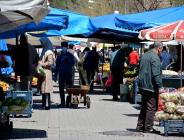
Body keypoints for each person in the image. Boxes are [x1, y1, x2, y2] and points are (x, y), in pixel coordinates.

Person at [136, 41, 163, 133]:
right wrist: (160, 86)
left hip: (142, 84)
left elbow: (139, 68)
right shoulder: (155, 57)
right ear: (159, 48)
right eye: (161, 50)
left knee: (144, 106)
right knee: (151, 107)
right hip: (150, 86)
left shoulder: (144, 55)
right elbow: (156, 74)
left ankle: (140, 126)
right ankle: (148, 127)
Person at [55, 41, 75, 107]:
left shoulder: (69, 55)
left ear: (67, 47)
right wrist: (55, 74)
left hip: (68, 73)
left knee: (70, 88)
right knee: (61, 88)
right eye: (63, 47)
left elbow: (73, 63)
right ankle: (63, 102)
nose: (64, 48)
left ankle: (69, 102)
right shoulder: (59, 55)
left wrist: (67, 59)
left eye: (65, 47)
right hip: (62, 73)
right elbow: (57, 65)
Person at [39, 37, 55, 110]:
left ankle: (47, 105)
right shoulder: (44, 50)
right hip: (43, 72)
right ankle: (44, 104)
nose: (41, 44)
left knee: (46, 89)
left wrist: (42, 64)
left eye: (42, 42)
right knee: (44, 89)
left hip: (47, 72)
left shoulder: (49, 52)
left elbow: (50, 62)